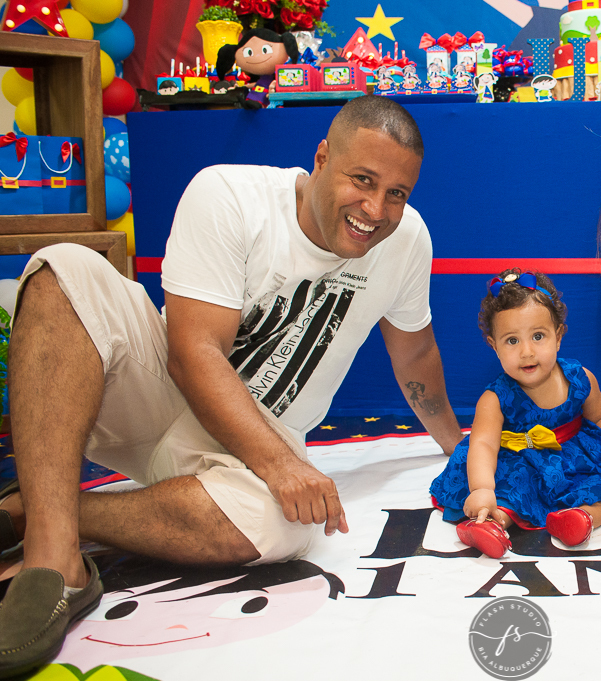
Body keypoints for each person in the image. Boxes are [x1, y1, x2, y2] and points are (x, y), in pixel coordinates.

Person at [0, 95, 464, 677]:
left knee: (285, 522)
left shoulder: (406, 241)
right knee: (63, 265)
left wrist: (455, 444)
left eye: (397, 193)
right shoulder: (230, 194)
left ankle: (36, 512)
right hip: (158, 394)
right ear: (321, 158)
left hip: (253, 443)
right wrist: (281, 465)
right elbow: (193, 354)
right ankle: (54, 557)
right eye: (362, 180)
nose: (375, 208)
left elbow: (415, 350)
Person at [429, 269, 601, 559]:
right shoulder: (494, 398)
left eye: (538, 336)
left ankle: (580, 518)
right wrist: (483, 488)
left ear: (558, 336)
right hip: (518, 458)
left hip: (574, 459)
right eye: (512, 340)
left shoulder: (579, 378)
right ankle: (491, 524)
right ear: (493, 345)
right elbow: (483, 444)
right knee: (513, 491)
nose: (527, 352)